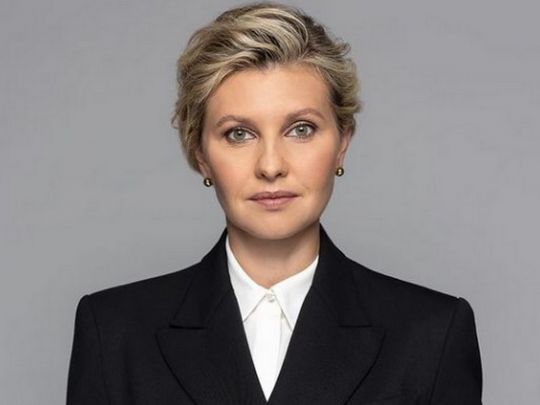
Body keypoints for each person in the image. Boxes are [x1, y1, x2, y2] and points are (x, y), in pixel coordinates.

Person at [66, 2, 483, 404]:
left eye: (301, 129)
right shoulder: (114, 332)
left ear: (342, 144)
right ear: (200, 153)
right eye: (238, 134)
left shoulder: (432, 333)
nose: (270, 166)